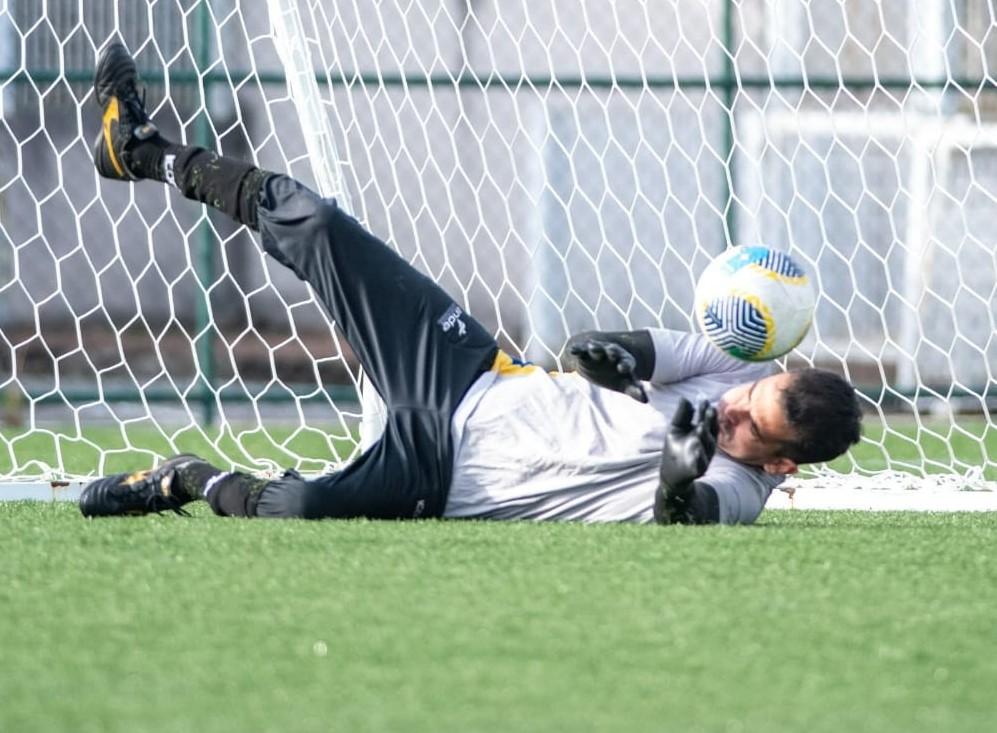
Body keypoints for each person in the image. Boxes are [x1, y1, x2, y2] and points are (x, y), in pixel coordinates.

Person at [79, 42, 862, 526]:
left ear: (782, 465)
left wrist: (678, 469)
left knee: (304, 508)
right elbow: (601, 348)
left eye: (748, 426)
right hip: (464, 374)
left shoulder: (740, 490)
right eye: (746, 397)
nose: (730, 409)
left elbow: (684, 514)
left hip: (439, 475)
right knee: (314, 224)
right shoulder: (734, 369)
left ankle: (185, 477)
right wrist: (608, 361)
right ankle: (142, 150)